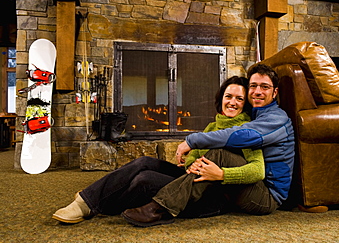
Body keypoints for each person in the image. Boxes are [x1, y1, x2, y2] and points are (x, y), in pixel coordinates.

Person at [52, 76, 262, 224]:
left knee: (144, 180)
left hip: (210, 193)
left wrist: (221, 174)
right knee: (144, 163)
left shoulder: (247, 130)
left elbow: (256, 170)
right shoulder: (213, 126)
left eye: (239, 98)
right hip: (191, 179)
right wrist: (190, 164)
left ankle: (98, 202)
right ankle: (85, 201)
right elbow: (192, 161)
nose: (232, 102)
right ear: (221, 98)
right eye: (228, 96)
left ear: (246, 104)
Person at [122, 63, 295, 227]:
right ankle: (100, 201)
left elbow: (242, 137)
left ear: (274, 92)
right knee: (145, 166)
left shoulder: (276, 119)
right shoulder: (256, 115)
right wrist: (194, 162)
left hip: (267, 196)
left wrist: (193, 143)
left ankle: (161, 208)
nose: (257, 91)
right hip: (247, 186)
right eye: (253, 86)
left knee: (218, 154)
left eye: (264, 87)